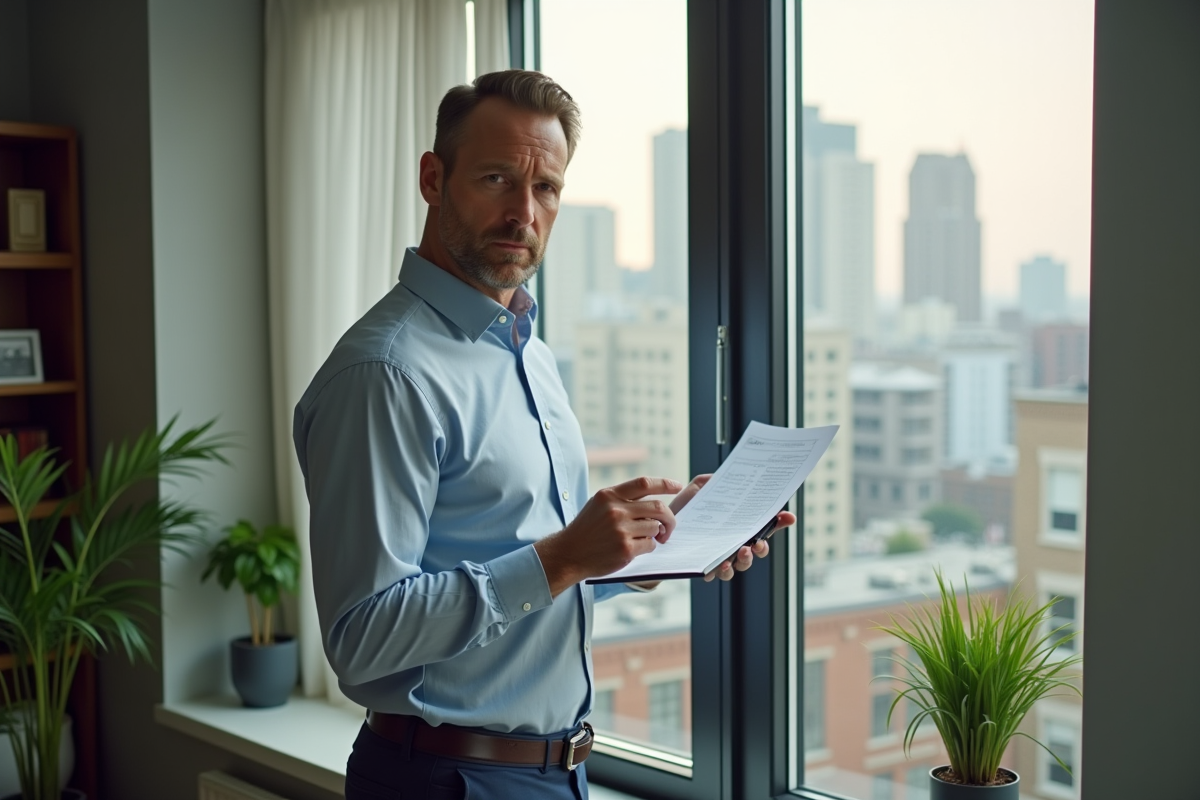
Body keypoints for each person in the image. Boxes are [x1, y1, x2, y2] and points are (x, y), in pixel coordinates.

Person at [292, 69, 795, 800]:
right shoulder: (387, 373)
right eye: (496, 178)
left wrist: (650, 546)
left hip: (556, 775)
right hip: (444, 779)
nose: (523, 212)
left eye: (547, 188)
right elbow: (362, 641)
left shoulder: (528, 347)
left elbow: (521, 569)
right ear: (434, 178)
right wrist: (562, 557)